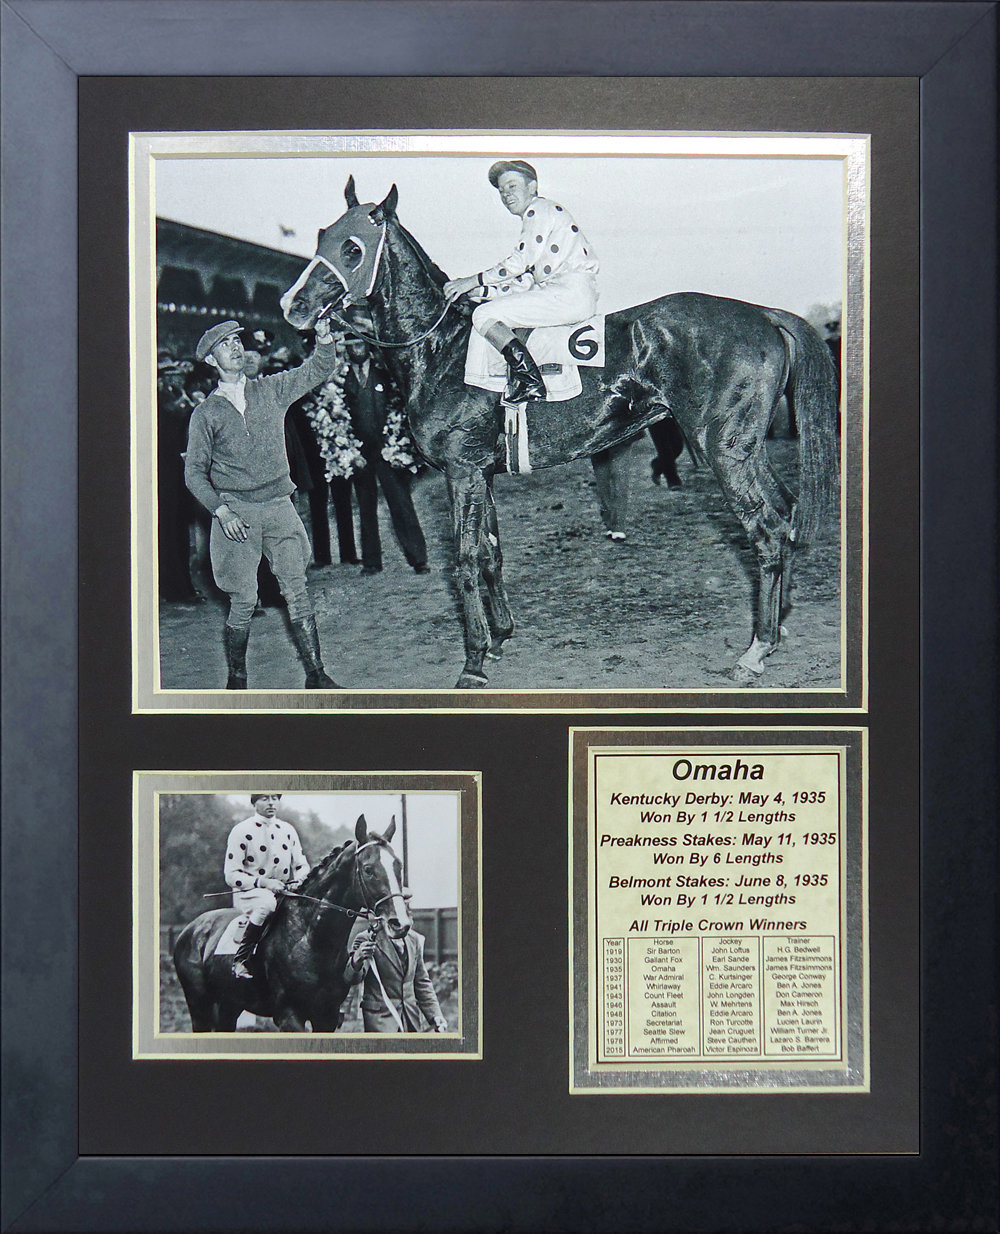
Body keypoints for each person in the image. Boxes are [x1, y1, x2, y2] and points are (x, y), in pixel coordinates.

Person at [183, 318, 341, 689]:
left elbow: (318, 368)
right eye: (225, 344)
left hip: (279, 508)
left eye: (237, 340)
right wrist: (222, 511)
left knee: (297, 588)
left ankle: (316, 676)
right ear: (210, 359)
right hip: (237, 515)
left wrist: (324, 338)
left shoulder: (271, 389)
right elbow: (194, 473)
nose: (236, 347)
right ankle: (237, 679)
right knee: (243, 599)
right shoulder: (205, 414)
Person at [443, 159, 600, 405]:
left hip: (568, 292)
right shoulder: (544, 215)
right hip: (566, 292)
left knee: (483, 316)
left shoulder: (538, 209)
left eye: (512, 186)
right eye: (502, 191)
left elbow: (519, 261)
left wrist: (470, 281)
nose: (506, 194)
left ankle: (530, 380)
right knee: (488, 308)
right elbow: (524, 283)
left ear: (532, 186)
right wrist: (481, 291)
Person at [341, 321, 430, 576]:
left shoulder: (384, 375)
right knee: (366, 506)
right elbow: (338, 417)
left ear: (367, 345)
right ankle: (371, 562)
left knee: (401, 503)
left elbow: (399, 406)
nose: (356, 349)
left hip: (387, 450)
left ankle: (418, 558)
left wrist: (396, 445)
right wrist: (349, 451)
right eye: (350, 345)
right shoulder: (340, 380)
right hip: (359, 453)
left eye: (359, 343)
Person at [224, 793, 310, 980]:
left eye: (274, 798)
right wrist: (263, 883)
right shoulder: (241, 830)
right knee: (267, 903)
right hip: (250, 893)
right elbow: (231, 875)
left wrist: (299, 880)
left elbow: (302, 865)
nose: (271, 803)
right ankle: (241, 959)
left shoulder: (288, 829)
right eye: (264, 798)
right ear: (254, 802)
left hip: (285, 891)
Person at [343, 918, 448, 1033]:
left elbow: (421, 982)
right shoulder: (366, 938)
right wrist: (357, 958)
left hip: (411, 1019)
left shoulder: (414, 939)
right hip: (381, 1021)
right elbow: (352, 979)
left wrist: (435, 1015)